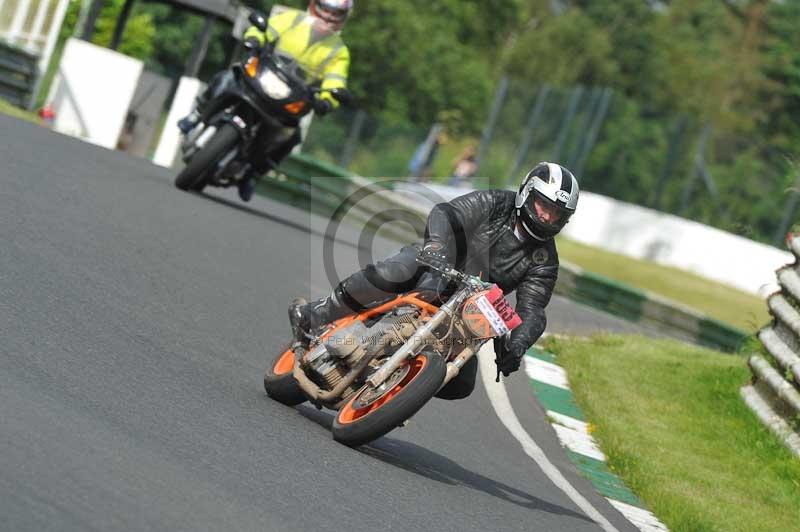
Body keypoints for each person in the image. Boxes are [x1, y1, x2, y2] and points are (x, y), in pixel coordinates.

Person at [289, 162, 579, 399]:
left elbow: (533, 310)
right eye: (544, 205)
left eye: (557, 213)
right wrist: (438, 246)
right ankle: (315, 314)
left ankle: (393, 390)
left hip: (470, 310)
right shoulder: (496, 203)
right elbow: (448, 213)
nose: (547, 216)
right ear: (527, 194)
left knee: (462, 384)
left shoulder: (545, 260)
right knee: (391, 274)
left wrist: (517, 346)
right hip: (438, 266)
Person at [178, 0, 354, 201]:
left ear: (344, 17)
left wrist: (328, 100)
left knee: (291, 135)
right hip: (262, 73)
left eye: (336, 13)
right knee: (226, 78)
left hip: (294, 95)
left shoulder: (339, 52)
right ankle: (196, 114)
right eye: (326, 9)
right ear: (315, 6)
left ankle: (253, 175)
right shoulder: (292, 19)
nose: (329, 17)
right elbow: (266, 28)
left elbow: (336, 79)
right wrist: (253, 39)